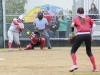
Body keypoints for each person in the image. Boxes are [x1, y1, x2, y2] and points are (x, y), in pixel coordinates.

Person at [69, 7, 98, 72]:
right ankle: (95, 68)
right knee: (89, 52)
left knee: (73, 51)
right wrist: (91, 34)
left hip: (80, 35)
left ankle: (75, 64)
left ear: (77, 12)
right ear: (83, 12)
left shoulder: (75, 19)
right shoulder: (88, 18)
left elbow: (72, 26)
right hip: (88, 34)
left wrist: (72, 34)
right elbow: (94, 25)